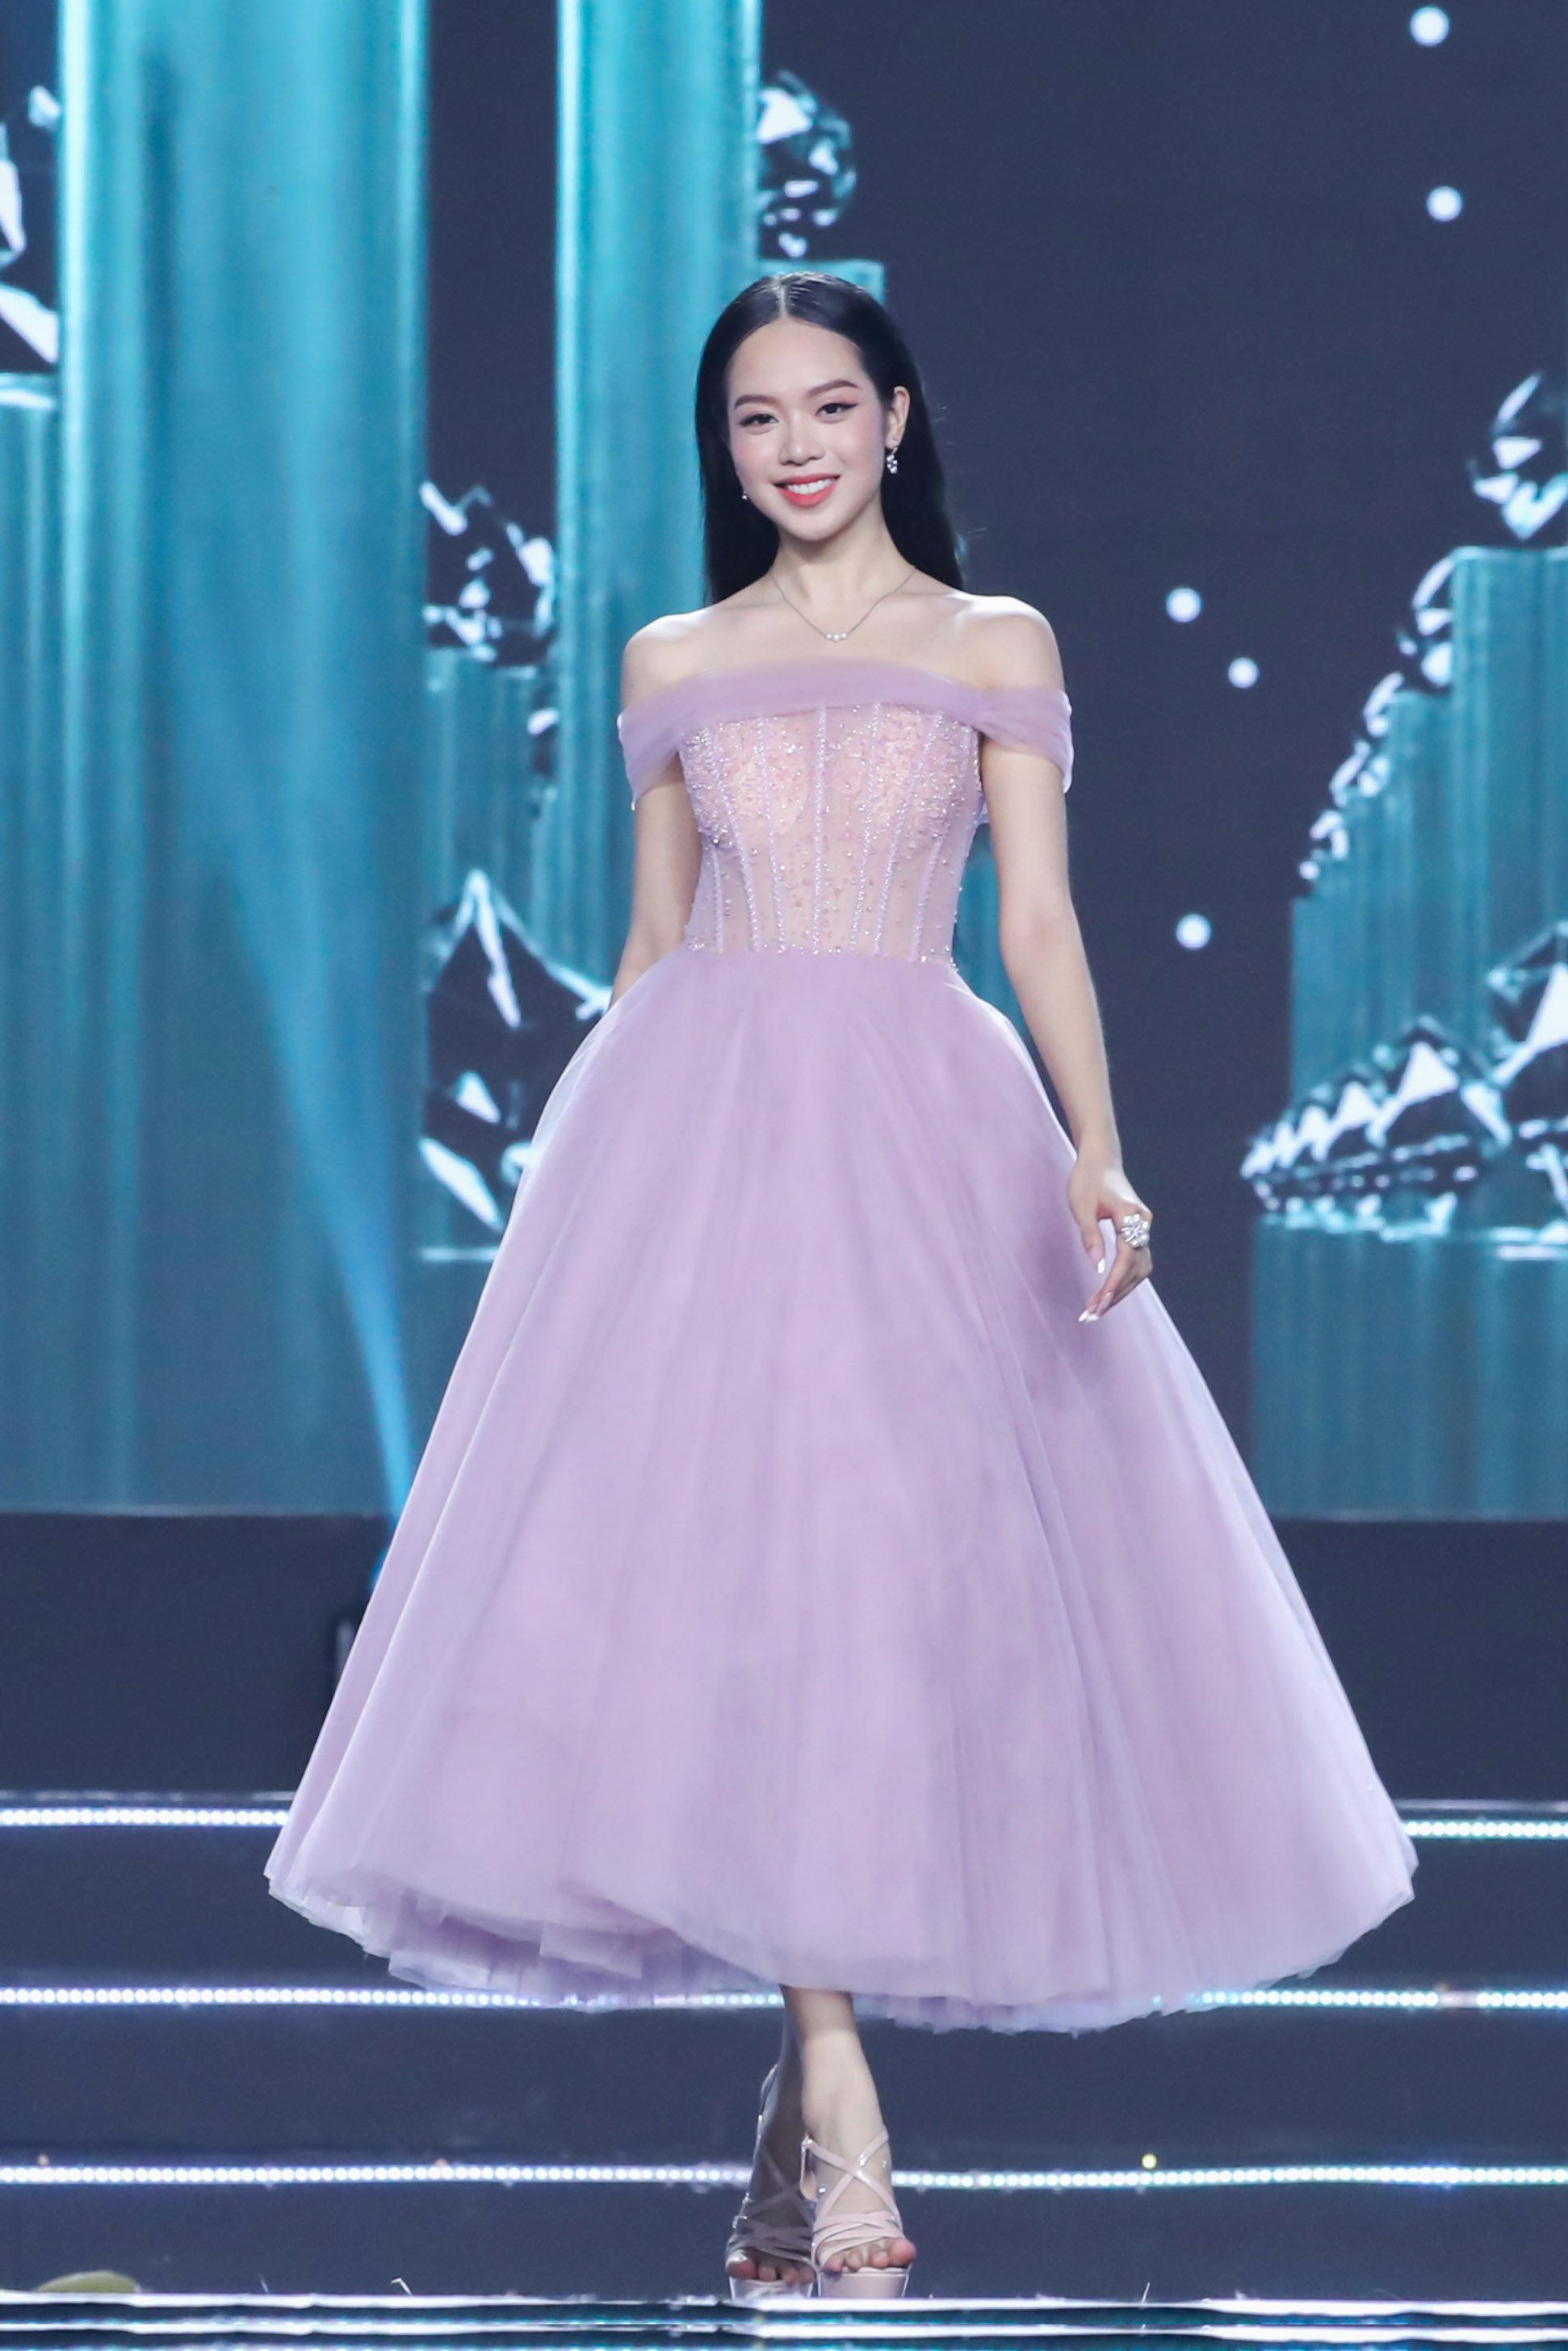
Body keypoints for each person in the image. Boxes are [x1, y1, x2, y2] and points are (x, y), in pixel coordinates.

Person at [266, 271, 1417, 2303]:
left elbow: (1035, 921)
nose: (790, 445)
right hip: (695, 1146)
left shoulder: (990, 641)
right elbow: (651, 947)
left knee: (874, 1594)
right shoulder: (672, 657)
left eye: (824, 406)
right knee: (749, 1594)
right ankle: (841, 2110)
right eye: (751, 417)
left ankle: (793, 2130)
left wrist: (1097, 1146)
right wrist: (584, 1193)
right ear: (723, 451)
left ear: (893, 419)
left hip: (920, 1136)